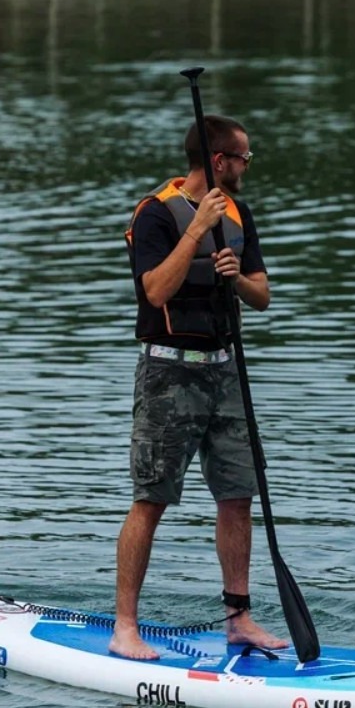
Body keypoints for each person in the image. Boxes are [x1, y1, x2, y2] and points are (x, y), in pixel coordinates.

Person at [111, 114, 286, 659]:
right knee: (152, 498)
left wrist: (236, 275)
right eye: (243, 158)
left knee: (238, 497)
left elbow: (262, 295)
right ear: (219, 161)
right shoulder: (155, 213)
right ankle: (125, 627)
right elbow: (156, 291)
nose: (247, 166)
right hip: (169, 370)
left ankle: (239, 619)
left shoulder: (237, 213)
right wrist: (195, 231)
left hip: (225, 370)